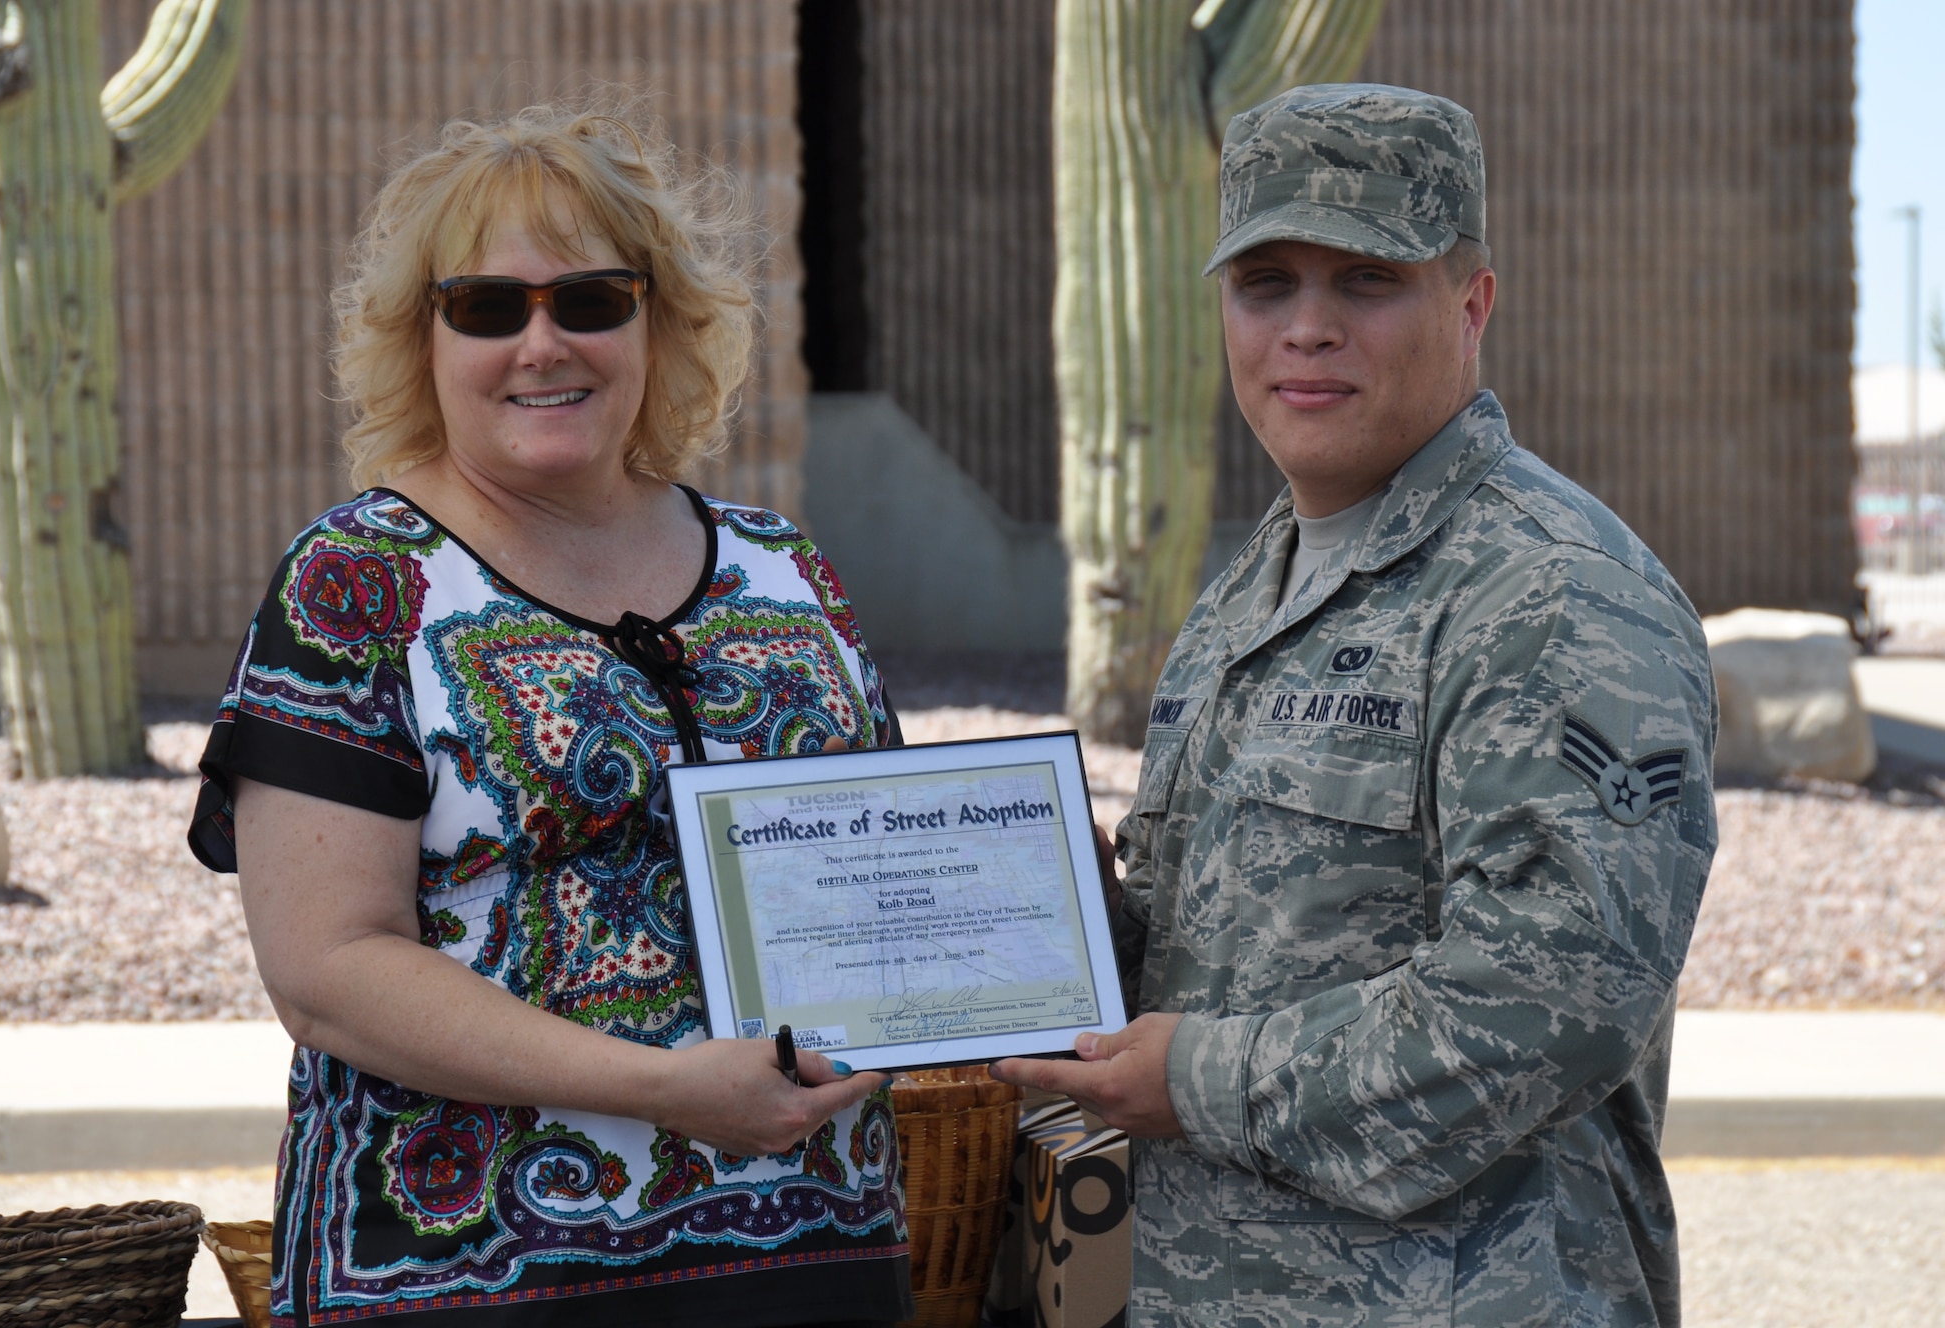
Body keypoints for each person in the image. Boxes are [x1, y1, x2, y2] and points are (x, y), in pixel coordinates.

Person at [994, 83, 1717, 1326]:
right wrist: (991, 927)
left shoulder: (1550, 596)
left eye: (1366, 280)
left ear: (1470, 302)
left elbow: (1542, 1004)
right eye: (1264, 281)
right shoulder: (1257, 583)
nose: (1305, 329)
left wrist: (1200, 1074)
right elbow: (1210, 940)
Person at [188, 98, 911, 1326]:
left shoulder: (782, 564)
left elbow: (890, 869)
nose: (542, 343)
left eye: (589, 299)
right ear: (420, 337)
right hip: (465, 1276)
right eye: (487, 306)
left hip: (811, 1253)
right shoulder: (360, 581)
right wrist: (666, 1086)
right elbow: (328, 969)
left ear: (658, 323)